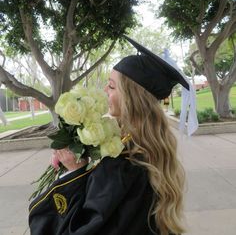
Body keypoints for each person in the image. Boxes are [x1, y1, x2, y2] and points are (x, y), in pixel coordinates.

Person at [29, 36, 189, 235]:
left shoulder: (121, 165)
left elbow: (81, 230)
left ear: (132, 99)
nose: (105, 90)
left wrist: (74, 172)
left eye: (112, 86)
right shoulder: (149, 149)